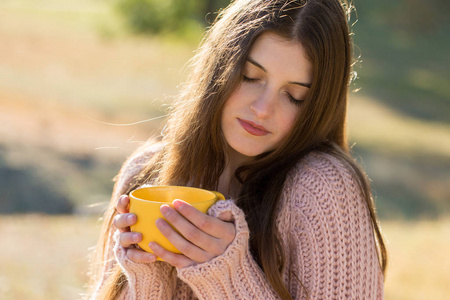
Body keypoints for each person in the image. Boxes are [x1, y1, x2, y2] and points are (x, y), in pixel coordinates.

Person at [87, 0, 387, 299]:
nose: (262, 109)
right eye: (250, 77)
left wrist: (228, 278)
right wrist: (148, 275)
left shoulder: (323, 188)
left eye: (295, 96)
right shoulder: (145, 174)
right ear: (219, 67)